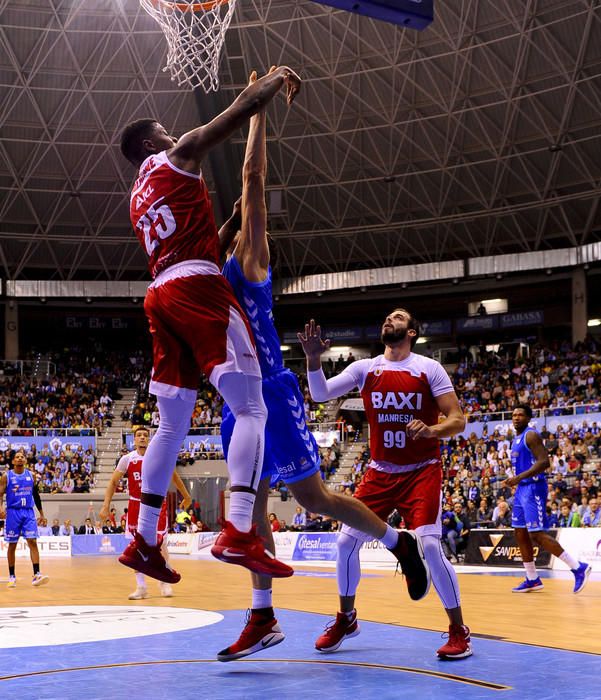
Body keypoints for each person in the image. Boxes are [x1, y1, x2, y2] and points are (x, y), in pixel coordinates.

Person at [216, 104, 429, 662]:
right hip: (233, 402)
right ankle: (262, 617)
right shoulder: (212, 272)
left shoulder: (252, 263)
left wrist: (256, 110)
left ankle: (397, 542)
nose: (246, 223)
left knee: (315, 498)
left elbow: (253, 179)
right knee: (253, 510)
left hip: (270, 396)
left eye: (247, 221)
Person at [118, 66, 303, 584]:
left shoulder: (137, 197)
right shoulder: (175, 157)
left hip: (160, 293)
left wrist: (229, 224)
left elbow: (193, 242)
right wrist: (270, 82)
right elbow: (234, 114)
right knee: (251, 407)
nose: (175, 134)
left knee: (171, 426)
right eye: (165, 131)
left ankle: (145, 539)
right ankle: (240, 528)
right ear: (152, 141)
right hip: (198, 289)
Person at [298, 311, 472, 659]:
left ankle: (458, 630)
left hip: (421, 470)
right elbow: (319, 394)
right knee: (345, 542)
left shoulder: (428, 368)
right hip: (380, 471)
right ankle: (346, 619)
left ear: (410, 331)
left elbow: (458, 419)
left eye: (398, 317)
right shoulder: (366, 368)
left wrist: (432, 429)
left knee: (432, 547)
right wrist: (314, 360)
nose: (388, 320)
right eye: (387, 317)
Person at [503, 405, 590, 594]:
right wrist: (515, 480)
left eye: (520, 415)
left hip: (533, 487)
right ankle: (532, 578)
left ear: (528, 418)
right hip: (521, 489)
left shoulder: (531, 435)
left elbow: (544, 462)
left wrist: (518, 478)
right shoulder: (515, 439)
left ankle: (577, 567)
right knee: (520, 532)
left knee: (536, 534)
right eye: (514, 415)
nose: (516, 418)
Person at [100, 426, 192, 599]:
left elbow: (174, 476)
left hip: (156, 503)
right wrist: (106, 505)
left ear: (149, 439)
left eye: (145, 435)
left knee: (161, 544)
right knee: (138, 547)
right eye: (139, 435)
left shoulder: (158, 456)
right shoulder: (127, 459)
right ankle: (141, 586)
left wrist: (186, 496)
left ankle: (164, 582)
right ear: (133, 440)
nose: (142, 438)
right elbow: (113, 482)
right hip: (135, 504)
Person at [0, 450, 49, 588]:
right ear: (13, 461)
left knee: (32, 541)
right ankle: (12, 576)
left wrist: (41, 514)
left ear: (25, 460)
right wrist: (0, 508)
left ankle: (37, 574)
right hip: (13, 512)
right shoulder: (6, 476)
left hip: (28, 512)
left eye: (22, 456)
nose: (20, 458)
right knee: (12, 544)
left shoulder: (31, 475)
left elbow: (36, 495)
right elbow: (0, 494)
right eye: (17, 457)